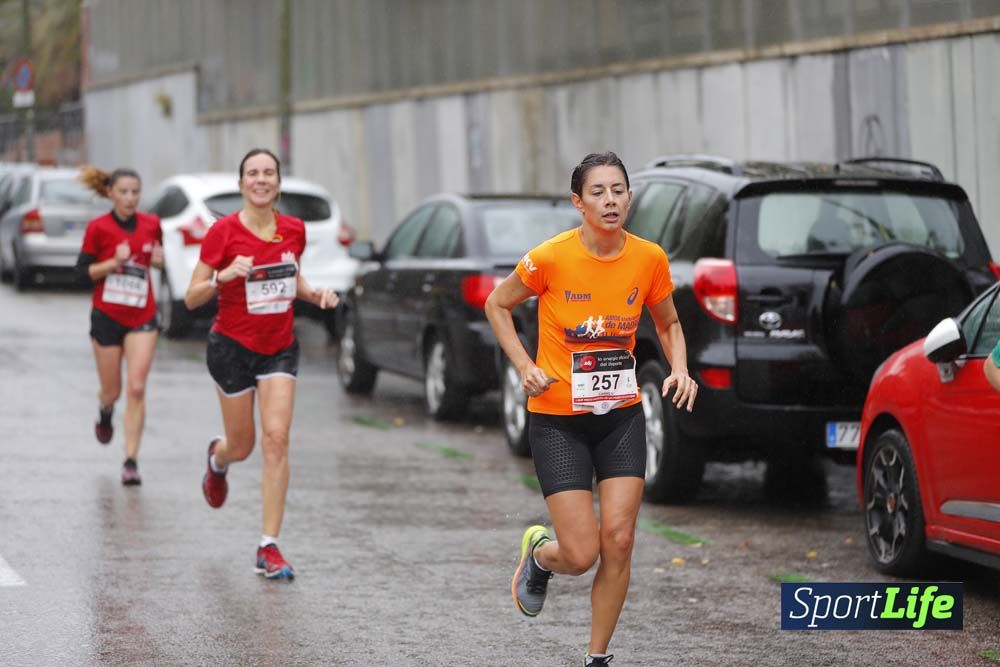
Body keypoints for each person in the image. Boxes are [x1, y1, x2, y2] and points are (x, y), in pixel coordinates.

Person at [485, 152, 698, 666]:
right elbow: (497, 304)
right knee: (581, 555)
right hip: (558, 420)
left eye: (618, 190)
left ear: (630, 197)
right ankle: (541, 557)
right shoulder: (550, 258)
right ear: (578, 203)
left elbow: (668, 322)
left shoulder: (648, 258)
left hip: (620, 416)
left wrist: (680, 367)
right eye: (598, 192)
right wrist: (524, 366)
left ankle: (597, 657)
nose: (610, 201)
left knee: (619, 540)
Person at [184, 148, 338, 580]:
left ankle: (268, 546)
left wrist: (316, 295)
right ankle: (218, 460)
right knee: (243, 446)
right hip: (231, 347)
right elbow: (191, 296)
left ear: (278, 183)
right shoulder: (222, 233)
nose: (261, 179)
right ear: (241, 184)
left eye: (269, 173)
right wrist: (223, 276)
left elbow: (292, 276)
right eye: (253, 173)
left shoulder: (294, 229)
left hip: (278, 347)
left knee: (276, 439)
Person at [77, 165, 163, 486]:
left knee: (137, 388)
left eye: (135, 192)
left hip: (142, 316)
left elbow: (157, 258)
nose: (130, 198)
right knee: (112, 391)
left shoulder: (152, 224)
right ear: (110, 193)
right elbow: (81, 273)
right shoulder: (98, 228)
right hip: (107, 316)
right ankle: (105, 410)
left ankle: (130, 461)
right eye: (123, 192)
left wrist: (159, 260)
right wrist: (114, 262)